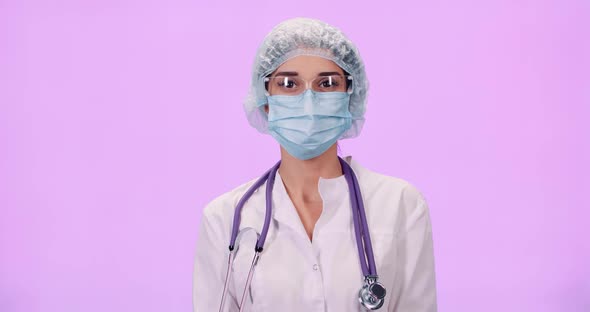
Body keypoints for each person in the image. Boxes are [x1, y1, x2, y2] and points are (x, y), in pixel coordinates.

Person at [192, 17, 437, 312]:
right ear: (266, 100)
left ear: (350, 96)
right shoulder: (226, 217)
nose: (308, 101)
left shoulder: (400, 204)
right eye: (288, 84)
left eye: (327, 83)